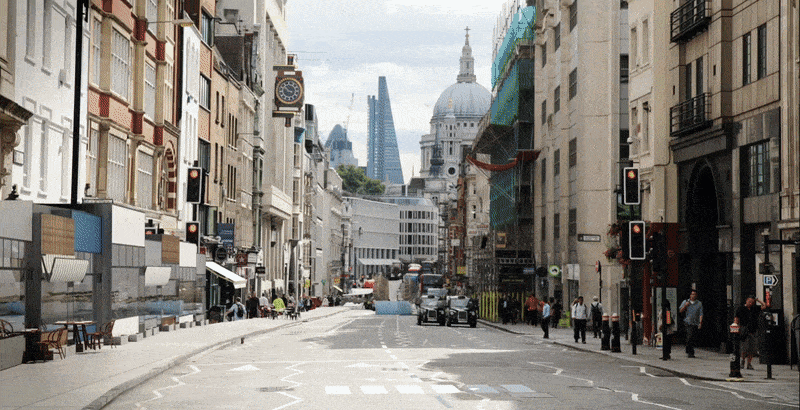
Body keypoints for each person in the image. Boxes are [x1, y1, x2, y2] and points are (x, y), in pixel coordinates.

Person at [735, 296, 766, 370]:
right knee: (744, 347)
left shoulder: (754, 308)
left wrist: (758, 300)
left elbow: (764, 306)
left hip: (753, 330)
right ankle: (742, 361)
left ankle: (749, 363)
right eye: (749, 302)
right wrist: (736, 328)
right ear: (746, 301)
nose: (751, 303)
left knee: (752, 348)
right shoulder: (741, 308)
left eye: (752, 302)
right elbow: (736, 318)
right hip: (744, 329)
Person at [679, 289, 703, 358]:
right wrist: (685, 306)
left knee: (693, 337)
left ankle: (688, 349)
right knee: (690, 336)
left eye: (694, 294)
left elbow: (701, 314)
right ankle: (691, 352)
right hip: (687, 322)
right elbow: (680, 310)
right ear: (690, 295)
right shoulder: (685, 302)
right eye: (692, 294)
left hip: (695, 322)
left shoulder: (699, 303)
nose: (693, 296)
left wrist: (700, 322)